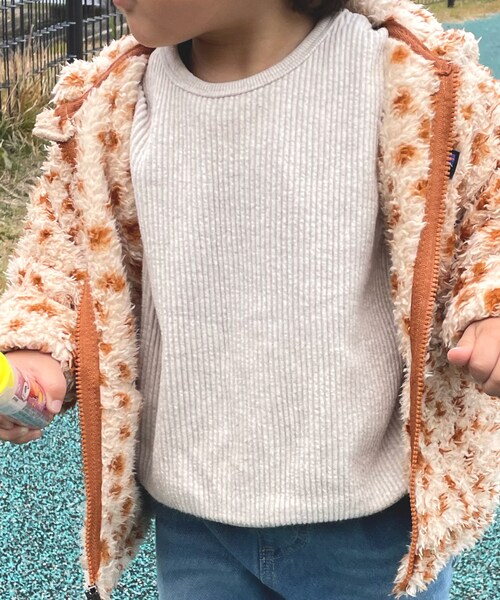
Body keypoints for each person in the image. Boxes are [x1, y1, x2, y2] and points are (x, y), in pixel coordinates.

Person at [0, 0, 498, 598]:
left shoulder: (412, 78)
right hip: (194, 516)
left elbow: (485, 211)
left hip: (371, 524)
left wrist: (490, 307)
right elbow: (63, 253)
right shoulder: (113, 102)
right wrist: (36, 346)